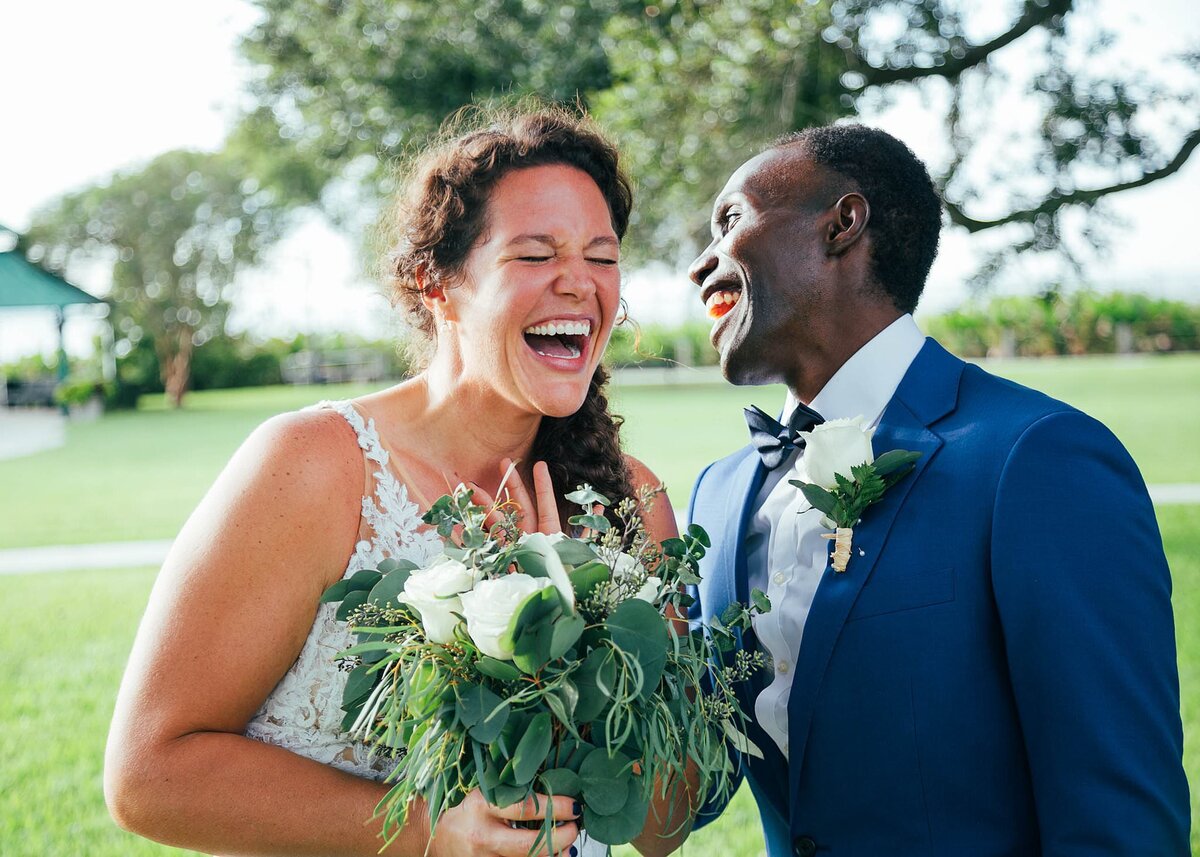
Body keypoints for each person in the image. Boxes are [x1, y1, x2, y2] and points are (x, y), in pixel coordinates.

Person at [104, 106, 686, 857]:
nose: (579, 283)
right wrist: (426, 828)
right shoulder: (314, 464)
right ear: (434, 282)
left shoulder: (630, 501)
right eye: (536, 254)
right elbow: (150, 774)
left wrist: (579, 636)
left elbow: (664, 827)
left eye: (602, 258)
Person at [686, 124, 1189, 856]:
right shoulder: (716, 497)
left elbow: (1120, 817)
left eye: (731, 220)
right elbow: (690, 787)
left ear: (842, 224)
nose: (702, 262)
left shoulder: (1037, 459)